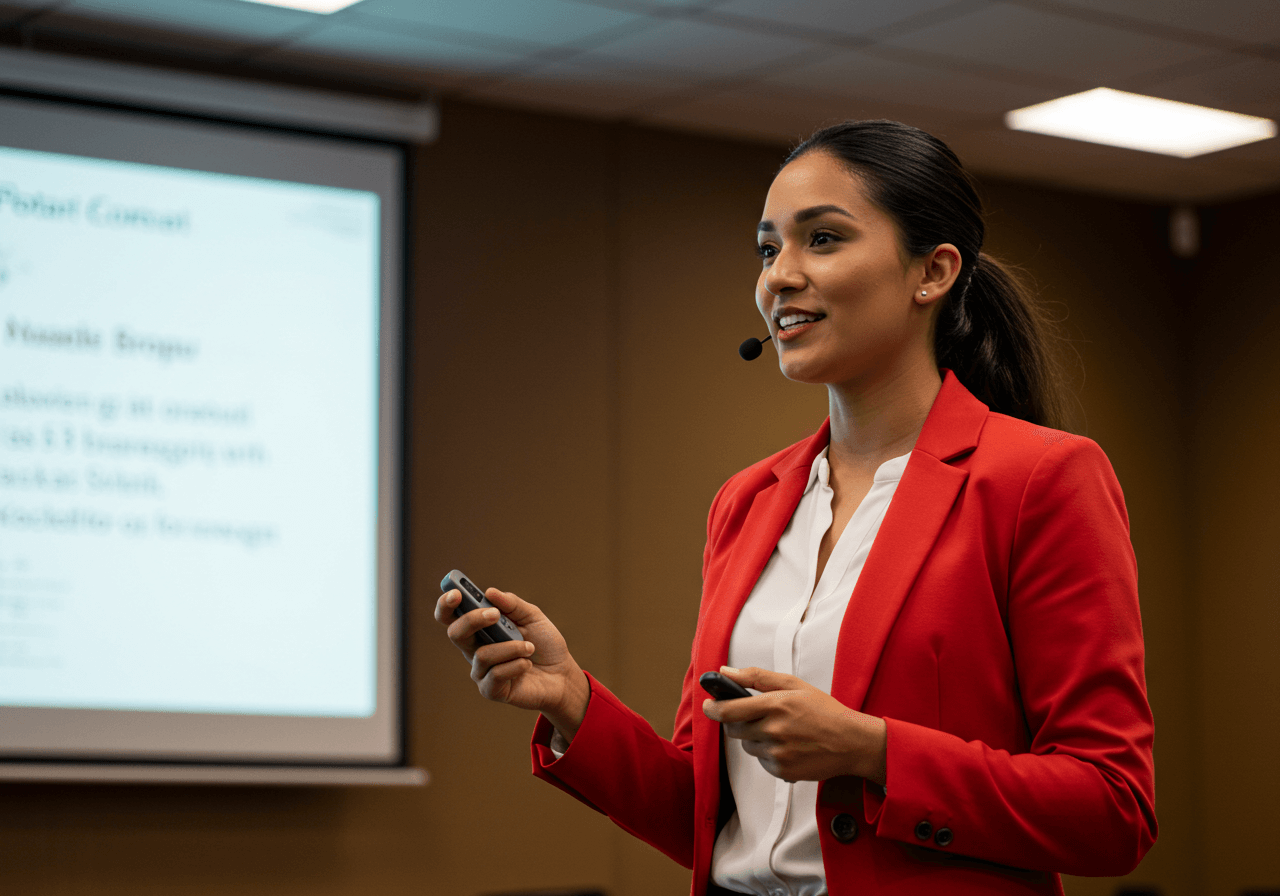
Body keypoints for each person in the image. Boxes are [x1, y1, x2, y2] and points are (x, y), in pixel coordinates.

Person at [435, 119, 1157, 896]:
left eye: (823, 239)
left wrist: (874, 752)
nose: (778, 276)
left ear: (933, 271)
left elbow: (1113, 809)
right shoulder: (746, 502)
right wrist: (571, 700)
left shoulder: (1040, 478)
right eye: (767, 249)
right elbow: (709, 821)